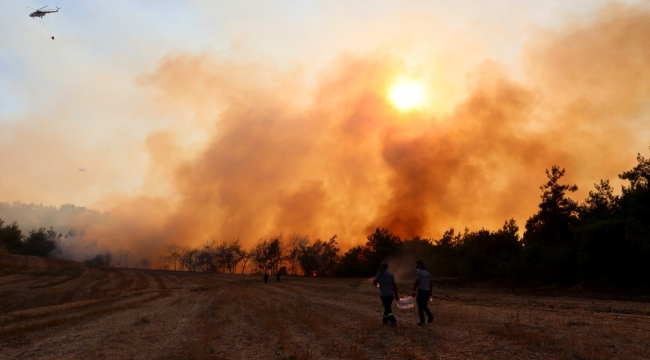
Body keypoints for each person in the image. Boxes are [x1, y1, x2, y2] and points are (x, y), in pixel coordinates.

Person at [373, 261, 400, 327]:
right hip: (391, 295)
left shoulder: (379, 274)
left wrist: (377, 283)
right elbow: (394, 286)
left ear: (385, 267)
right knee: (387, 308)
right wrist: (396, 295)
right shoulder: (391, 275)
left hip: (384, 295)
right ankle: (385, 320)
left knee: (388, 309)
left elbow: (374, 282)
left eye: (381, 266)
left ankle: (393, 321)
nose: (380, 268)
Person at [411, 260, 434, 326]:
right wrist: (430, 292)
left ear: (419, 265)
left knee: (420, 307)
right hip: (427, 292)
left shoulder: (419, 273)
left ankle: (422, 320)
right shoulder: (428, 273)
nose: (415, 266)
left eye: (416, 265)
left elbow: (416, 282)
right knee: (424, 305)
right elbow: (430, 283)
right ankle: (430, 316)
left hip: (421, 292)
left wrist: (413, 291)